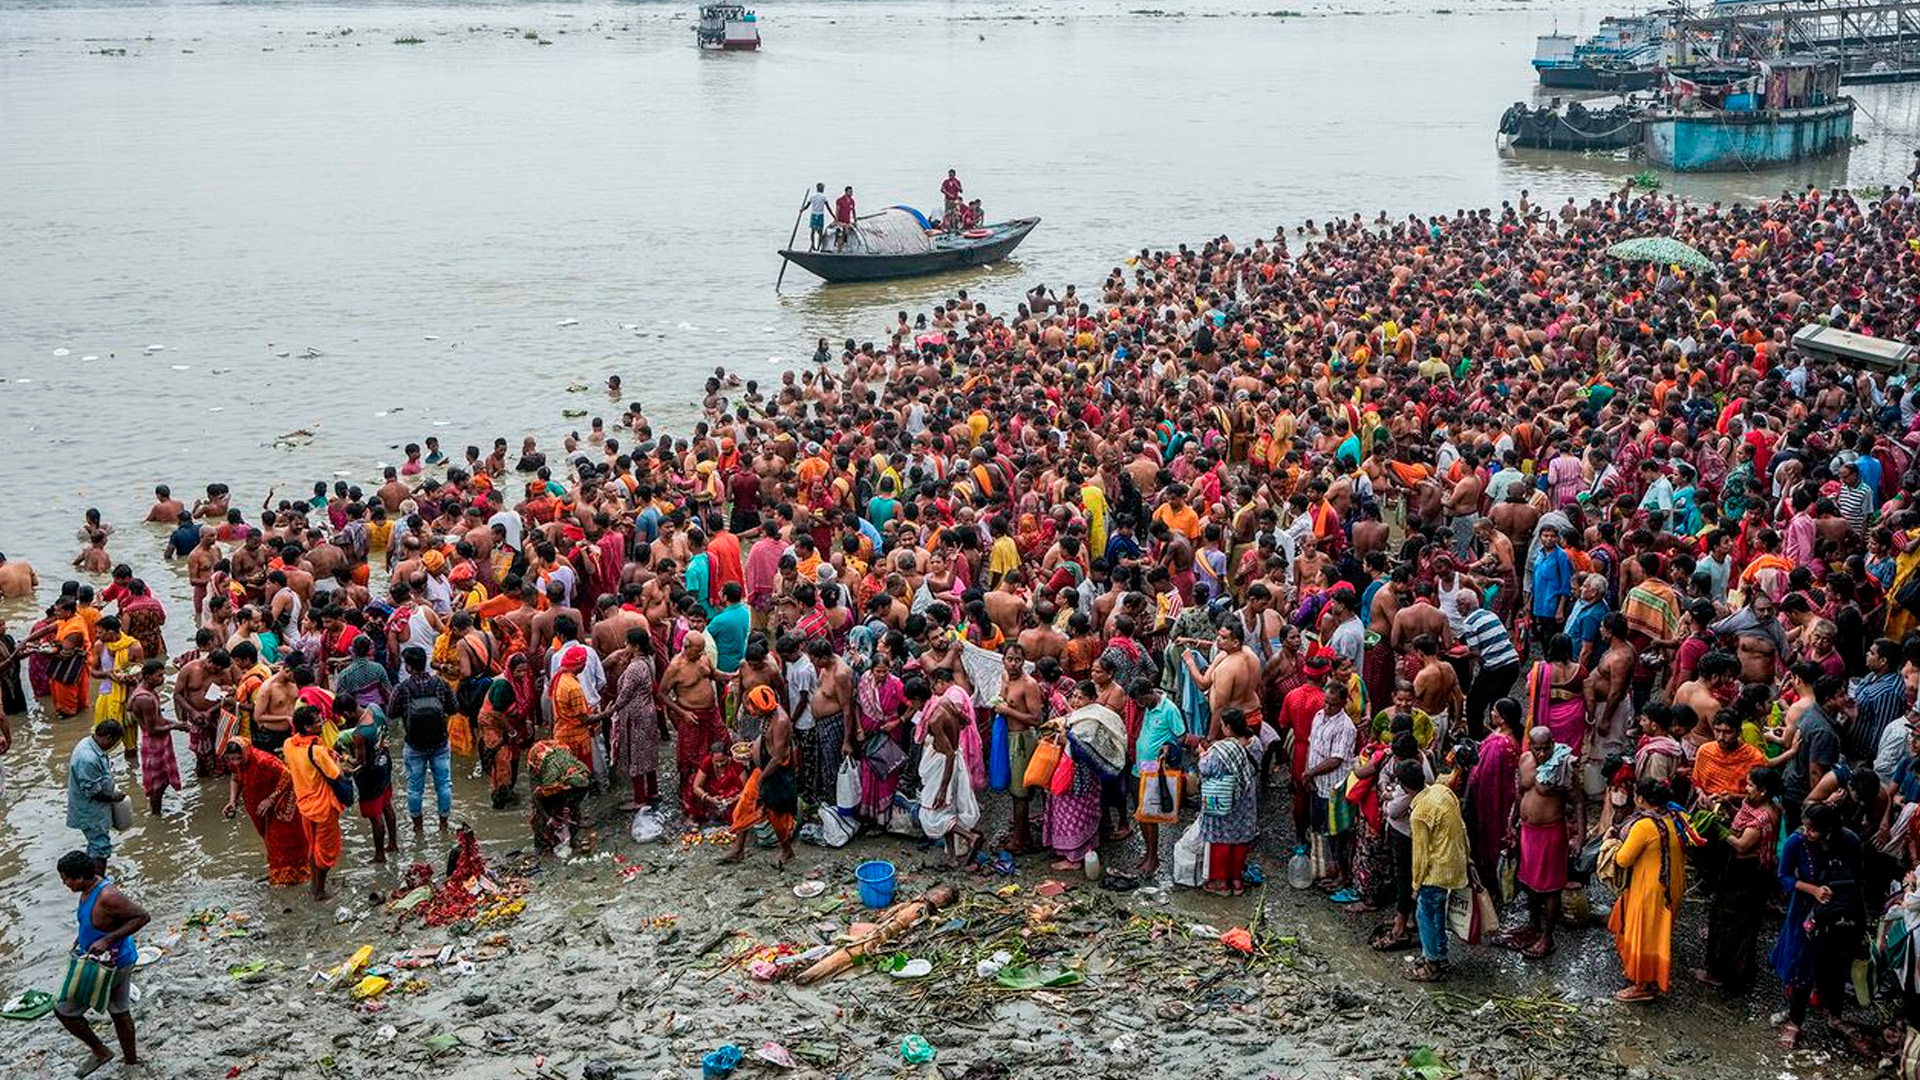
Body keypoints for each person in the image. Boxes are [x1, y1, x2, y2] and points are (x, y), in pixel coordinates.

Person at [1772, 800, 1868, 1049]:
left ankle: (1835, 1017)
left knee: (1837, 966)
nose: (1807, 832)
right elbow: (1784, 876)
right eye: (1806, 827)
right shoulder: (1797, 842)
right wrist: (1813, 890)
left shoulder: (1849, 842)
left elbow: (1857, 877)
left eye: (1813, 829)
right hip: (1807, 912)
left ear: (1829, 830)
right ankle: (1795, 1022)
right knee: (1803, 967)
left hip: (1841, 914)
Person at [54, 849, 147, 1077]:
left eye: (67, 879)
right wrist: (81, 938)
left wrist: (108, 939)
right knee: (118, 1011)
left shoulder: (107, 896)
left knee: (66, 1011)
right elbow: (93, 920)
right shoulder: (87, 889)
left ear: (82, 877)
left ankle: (112, 1056)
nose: (65, 884)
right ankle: (117, 1058)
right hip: (102, 960)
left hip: (113, 964)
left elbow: (142, 916)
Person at [1697, 765, 1781, 992]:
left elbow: (1743, 844)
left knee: (1731, 920)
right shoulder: (1762, 806)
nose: (1746, 789)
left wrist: (1719, 829)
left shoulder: (1764, 817)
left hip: (1747, 872)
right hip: (1743, 869)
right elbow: (1741, 819)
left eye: (1751, 785)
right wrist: (1729, 807)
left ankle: (1722, 971)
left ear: (1762, 791)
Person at [1608, 779, 1686, 1002]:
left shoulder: (1644, 826)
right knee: (1656, 934)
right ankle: (1641, 975)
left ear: (1641, 799)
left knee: (1645, 936)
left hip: (1650, 890)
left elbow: (1623, 859)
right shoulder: (1675, 817)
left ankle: (1643, 985)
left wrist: (1610, 843)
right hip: (1671, 885)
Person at [1509, 725, 1581, 958]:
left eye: (1546, 748)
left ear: (1553, 744)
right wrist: (1511, 821)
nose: (1541, 754)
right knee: (1529, 883)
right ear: (1530, 746)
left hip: (1551, 833)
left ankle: (1547, 938)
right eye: (1537, 749)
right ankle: (1533, 926)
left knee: (1551, 888)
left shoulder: (1564, 766)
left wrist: (1580, 837)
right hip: (1528, 832)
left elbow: (1578, 801)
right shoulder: (1524, 760)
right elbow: (1520, 793)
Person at [1406, 756, 1467, 982]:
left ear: (1404, 786)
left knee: (1426, 915)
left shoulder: (1419, 813)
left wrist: (1415, 885)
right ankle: (1439, 955)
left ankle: (1432, 964)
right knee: (1438, 914)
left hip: (1435, 872)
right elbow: (1461, 826)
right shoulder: (1443, 792)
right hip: (1453, 863)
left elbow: (1420, 855)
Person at [724, 684, 798, 865]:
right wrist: (754, 748)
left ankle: (787, 851)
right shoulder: (768, 716)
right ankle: (738, 850)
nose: (750, 710)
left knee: (776, 816)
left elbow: (778, 756)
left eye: (753, 707)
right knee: (744, 804)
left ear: (762, 707)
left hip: (776, 774)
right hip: (763, 770)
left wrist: (763, 778)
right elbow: (766, 740)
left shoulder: (780, 721)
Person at [221, 736, 310, 886]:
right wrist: (232, 802)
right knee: (270, 840)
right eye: (232, 759)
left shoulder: (264, 761)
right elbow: (235, 779)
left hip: (281, 804)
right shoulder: (235, 763)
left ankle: (288, 878)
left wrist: (271, 799)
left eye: (239, 758)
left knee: (283, 841)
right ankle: (286, 874)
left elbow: (288, 775)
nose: (236, 762)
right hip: (259, 807)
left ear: (246, 752)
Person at [389, 644, 456, 834]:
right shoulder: (441, 684)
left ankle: (417, 827)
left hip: (414, 744)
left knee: (414, 788)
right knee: (444, 784)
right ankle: (443, 824)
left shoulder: (402, 688)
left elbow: (391, 713)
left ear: (409, 666)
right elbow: (454, 708)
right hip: (440, 743)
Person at [283, 704, 346, 901]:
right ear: (308, 728)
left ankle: (314, 886)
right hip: (324, 807)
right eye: (319, 721)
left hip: (304, 805)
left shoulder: (289, 745)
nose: (322, 723)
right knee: (326, 851)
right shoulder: (318, 752)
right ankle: (320, 891)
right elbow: (338, 776)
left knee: (313, 848)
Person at [1198, 705, 1260, 895]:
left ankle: (1221, 884)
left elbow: (1206, 769)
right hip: (1246, 798)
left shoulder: (1221, 750)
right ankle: (1237, 882)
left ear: (1228, 728)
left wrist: (1202, 754)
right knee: (1240, 840)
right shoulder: (1254, 742)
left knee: (1221, 839)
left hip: (1224, 799)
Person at [340, 697, 398, 863]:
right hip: (384, 765)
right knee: (387, 805)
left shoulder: (360, 733)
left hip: (370, 777)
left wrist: (345, 758)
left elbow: (361, 762)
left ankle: (379, 855)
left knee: (375, 816)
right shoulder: (375, 709)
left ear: (347, 713)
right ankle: (393, 843)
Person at [66, 721, 123, 876]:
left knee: (96, 844)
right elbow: (93, 792)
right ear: (109, 738)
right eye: (115, 742)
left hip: (93, 808)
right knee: (100, 847)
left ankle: (93, 880)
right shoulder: (88, 758)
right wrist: (114, 797)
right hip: (90, 810)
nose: (113, 746)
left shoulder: (89, 743)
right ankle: (97, 884)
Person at [802, 182, 831, 252]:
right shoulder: (823, 197)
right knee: (819, 232)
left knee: (813, 231)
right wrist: (833, 216)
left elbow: (807, 206)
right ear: (821, 188)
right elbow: (828, 207)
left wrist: (802, 209)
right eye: (823, 188)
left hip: (814, 215)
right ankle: (817, 247)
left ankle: (814, 246)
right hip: (820, 215)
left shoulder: (812, 196)